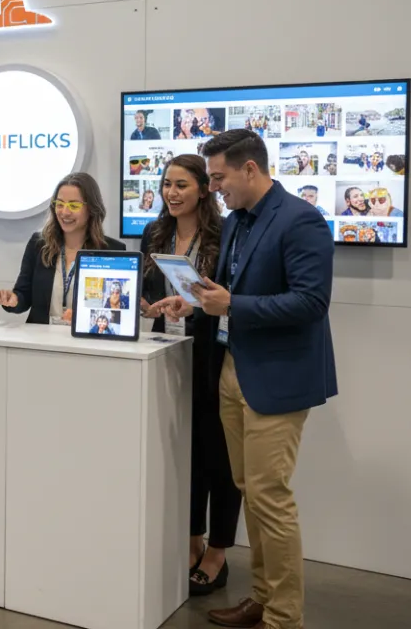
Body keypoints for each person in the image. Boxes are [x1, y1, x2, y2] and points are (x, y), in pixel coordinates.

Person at [154, 129, 336, 629]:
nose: (213, 189)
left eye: (218, 178)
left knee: (269, 496)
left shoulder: (302, 220)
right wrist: (190, 302)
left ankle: (283, 617)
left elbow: (311, 303)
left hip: (279, 378)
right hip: (234, 369)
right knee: (250, 490)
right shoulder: (237, 221)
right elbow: (227, 289)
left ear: (249, 169)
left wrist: (232, 303)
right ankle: (261, 597)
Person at [139, 153, 238, 597]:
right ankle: (191, 539)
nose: (172, 193)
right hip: (167, 350)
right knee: (184, 452)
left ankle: (218, 551)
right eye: (166, 185)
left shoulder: (224, 233)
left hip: (212, 355)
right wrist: (146, 306)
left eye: (181, 185)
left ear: (203, 188)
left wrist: (195, 304)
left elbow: (228, 295)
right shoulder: (155, 232)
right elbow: (145, 288)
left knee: (218, 456)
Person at [0, 173, 125, 325]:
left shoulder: (112, 251)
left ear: (91, 209)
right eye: (60, 204)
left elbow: (115, 309)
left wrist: (84, 317)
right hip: (42, 340)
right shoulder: (39, 245)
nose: (65, 212)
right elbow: (24, 296)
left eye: (74, 205)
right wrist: (13, 300)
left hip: (88, 343)